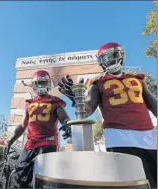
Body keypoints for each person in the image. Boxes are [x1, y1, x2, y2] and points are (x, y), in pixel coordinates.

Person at [58, 42, 157, 188]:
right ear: (101, 62)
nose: (112, 60)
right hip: (119, 137)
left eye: (114, 55)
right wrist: (77, 98)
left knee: (154, 179)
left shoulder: (138, 80)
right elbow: (87, 109)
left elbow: (154, 105)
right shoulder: (98, 83)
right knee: (130, 182)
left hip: (148, 135)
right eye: (107, 58)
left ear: (121, 56)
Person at [6, 70, 70, 188]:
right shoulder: (29, 103)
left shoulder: (54, 101)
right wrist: (11, 140)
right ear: (34, 85)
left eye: (43, 82)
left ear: (48, 83)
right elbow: (22, 125)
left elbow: (63, 116)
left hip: (47, 142)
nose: (41, 86)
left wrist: (67, 124)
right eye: (38, 83)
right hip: (31, 143)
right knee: (19, 176)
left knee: (44, 178)